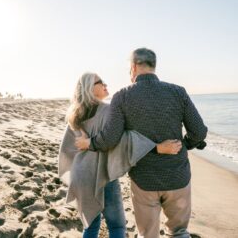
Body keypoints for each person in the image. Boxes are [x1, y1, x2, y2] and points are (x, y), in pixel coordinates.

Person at [75, 48, 208, 238]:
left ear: (134, 66)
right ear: (154, 66)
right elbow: (199, 131)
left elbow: (110, 138)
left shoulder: (122, 96)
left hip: (144, 180)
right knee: (179, 232)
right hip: (178, 177)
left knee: (148, 235)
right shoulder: (178, 92)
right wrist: (185, 144)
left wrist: (91, 143)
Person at [59, 72, 182, 238]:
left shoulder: (74, 115)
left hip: (81, 176)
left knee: (90, 226)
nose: (105, 84)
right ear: (89, 87)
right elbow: (125, 139)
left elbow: (68, 149)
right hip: (102, 175)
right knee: (117, 226)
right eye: (100, 82)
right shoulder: (108, 111)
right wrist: (157, 147)